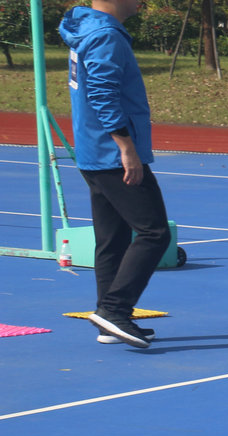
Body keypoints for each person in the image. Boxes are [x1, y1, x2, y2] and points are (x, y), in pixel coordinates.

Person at [59, 0, 172, 350]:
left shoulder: (86, 29)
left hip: (93, 150)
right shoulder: (105, 35)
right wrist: (126, 147)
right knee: (154, 232)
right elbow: (102, 94)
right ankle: (114, 309)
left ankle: (108, 319)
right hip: (112, 154)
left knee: (113, 238)